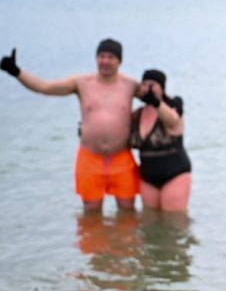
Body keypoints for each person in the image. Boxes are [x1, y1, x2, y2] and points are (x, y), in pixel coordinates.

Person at [1, 39, 140, 211]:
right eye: (101, 56)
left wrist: (174, 104)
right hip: (90, 158)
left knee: (128, 212)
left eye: (111, 57)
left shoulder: (131, 85)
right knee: (91, 213)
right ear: (96, 58)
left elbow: (156, 95)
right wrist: (16, 72)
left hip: (121, 158)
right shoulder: (81, 83)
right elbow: (44, 87)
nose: (105, 61)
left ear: (120, 61)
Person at [130, 69, 192, 212]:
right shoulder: (137, 114)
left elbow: (172, 121)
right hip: (147, 177)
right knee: (150, 224)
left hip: (175, 174)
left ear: (162, 88)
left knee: (174, 223)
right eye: (144, 84)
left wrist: (155, 101)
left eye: (152, 84)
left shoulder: (173, 106)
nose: (148, 88)